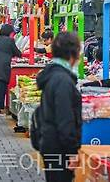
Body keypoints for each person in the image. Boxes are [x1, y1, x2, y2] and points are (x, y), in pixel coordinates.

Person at [35, 32, 82, 182]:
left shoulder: (53, 75)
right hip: (59, 146)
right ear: (72, 54)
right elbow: (65, 119)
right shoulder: (62, 80)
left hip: (50, 142)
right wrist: (72, 151)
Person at [0, 24, 22, 116]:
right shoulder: (10, 40)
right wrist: (20, 53)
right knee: (2, 87)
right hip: (3, 67)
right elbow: (16, 52)